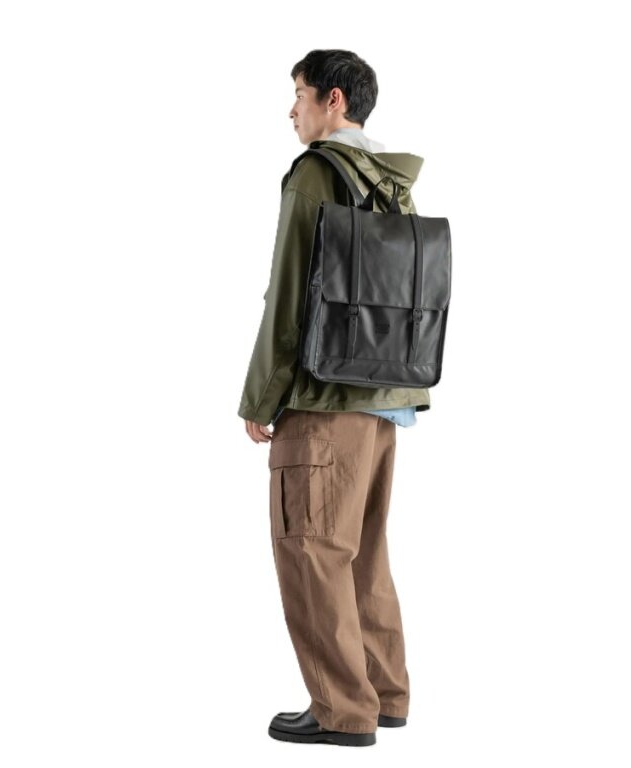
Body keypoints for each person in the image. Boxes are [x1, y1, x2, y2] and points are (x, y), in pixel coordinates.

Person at [237, 49, 432, 747]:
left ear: (334, 101)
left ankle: (341, 711)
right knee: (364, 552)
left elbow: (290, 292)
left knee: (312, 549)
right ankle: (385, 694)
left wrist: (260, 396)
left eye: (300, 94)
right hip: (386, 396)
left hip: (322, 399)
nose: (292, 109)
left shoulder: (317, 172)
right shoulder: (389, 179)